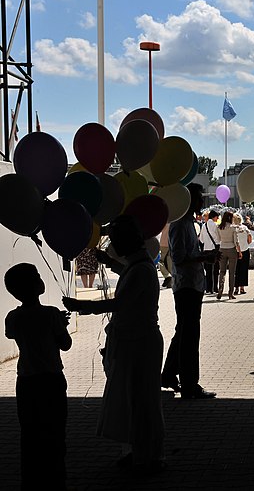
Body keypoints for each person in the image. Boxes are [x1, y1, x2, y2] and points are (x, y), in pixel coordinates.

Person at [62, 215, 166, 474]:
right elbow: (127, 273)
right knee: (135, 399)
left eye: (117, 241)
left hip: (139, 343)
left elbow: (121, 303)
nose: (113, 246)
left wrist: (83, 307)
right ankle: (139, 453)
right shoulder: (139, 265)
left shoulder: (140, 269)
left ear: (128, 242)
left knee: (141, 401)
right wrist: (110, 263)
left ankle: (146, 457)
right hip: (135, 341)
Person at [5, 263, 72, 490]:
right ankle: (56, 478)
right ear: (36, 285)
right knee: (54, 429)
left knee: (30, 432)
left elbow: (14, 333)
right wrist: (60, 325)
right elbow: (66, 344)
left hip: (26, 381)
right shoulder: (52, 314)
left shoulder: (12, 317)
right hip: (51, 379)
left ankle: (31, 479)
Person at [161, 183, 217, 399]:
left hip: (191, 284)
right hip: (186, 285)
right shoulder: (180, 225)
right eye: (199, 198)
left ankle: (168, 375)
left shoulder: (188, 224)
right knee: (190, 335)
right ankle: (189, 384)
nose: (202, 202)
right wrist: (205, 257)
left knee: (183, 332)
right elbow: (179, 257)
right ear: (189, 200)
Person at [216, 211, 241, 300]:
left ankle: (220, 289)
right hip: (231, 249)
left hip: (222, 249)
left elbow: (218, 239)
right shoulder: (233, 228)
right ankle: (230, 293)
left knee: (222, 271)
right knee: (232, 272)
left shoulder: (219, 227)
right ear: (230, 218)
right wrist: (240, 251)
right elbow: (236, 241)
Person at [198, 210, 220, 294]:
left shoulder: (204, 225)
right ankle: (215, 288)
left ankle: (208, 288)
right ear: (214, 217)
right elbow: (219, 238)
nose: (217, 218)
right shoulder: (215, 225)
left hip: (206, 250)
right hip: (215, 249)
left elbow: (201, 239)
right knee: (215, 270)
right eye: (217, 217)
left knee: (208, 270)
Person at [233, 213, 252, 296]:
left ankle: (236, 287)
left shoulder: (233, 229)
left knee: (236, 270)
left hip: (236, 251)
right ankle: (242, 287)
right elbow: (250, 239)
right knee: (244, 270)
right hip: (245, 250)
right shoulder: (245, 228)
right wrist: (246, 243)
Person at [158, 222, 172, 288]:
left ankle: (167, 276)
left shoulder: (165, 222)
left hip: (163, 243)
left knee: (161, 261)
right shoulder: (174, 222)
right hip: (171, 243)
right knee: (169, 261)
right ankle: (170, 278)